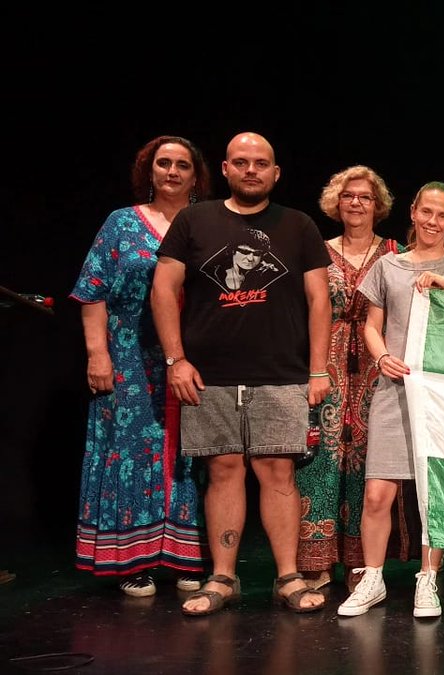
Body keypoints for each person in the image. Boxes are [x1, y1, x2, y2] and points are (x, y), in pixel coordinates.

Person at [150, 131, 331, 616]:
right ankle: (223, 578)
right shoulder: (194, 220)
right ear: (226, 169)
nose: (251, 170)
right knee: (223, 471)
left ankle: (288, 578)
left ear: (275, 173)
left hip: (282, 373)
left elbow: (320, 301)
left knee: (278, 472)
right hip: (210, 375)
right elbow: (164, 289)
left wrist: (318, 369)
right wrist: (176, 359)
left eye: (261, 163)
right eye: (241, 162)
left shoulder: (298, 226)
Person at [336, 182, 444, 619]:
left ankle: (428, 579)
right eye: (427, 212)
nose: (433, 222)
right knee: (377, 494)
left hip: (440, 396)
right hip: (393, 391)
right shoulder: (388, 265)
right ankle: (372, 578)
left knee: (432, 495)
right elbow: (371, 323)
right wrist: (382, 355)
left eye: (443, 215)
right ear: (414, 211)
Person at [71, 135, 212, 597]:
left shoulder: (206, 224)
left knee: (189, 455)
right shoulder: (122, 223)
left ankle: (184, 556)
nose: (172, 171)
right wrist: (98, 353)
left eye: (182, 165)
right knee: (132, 453)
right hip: (130, 358)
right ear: (149, 172)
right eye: (163, 163)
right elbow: (93, 290)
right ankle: (134, 561)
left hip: (193, 356)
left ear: (196, 175)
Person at [296, 166, 405, 591]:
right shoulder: (317, 251)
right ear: (335, 203)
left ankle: (362, 561)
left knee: (369, 460)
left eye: (365, 197)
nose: (356, 203)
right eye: (348, 196)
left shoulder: (396, 252)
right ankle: (317, 559)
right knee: (320, 459)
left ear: (378, 206)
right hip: (329, 363)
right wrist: (312, 368)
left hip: (380, 368)